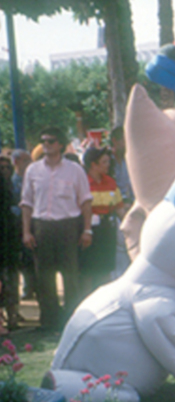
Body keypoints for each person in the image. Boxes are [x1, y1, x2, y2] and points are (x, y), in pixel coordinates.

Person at [20, 126, 93, 331]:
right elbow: (26, 203)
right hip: (41, 227)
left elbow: (86, 201)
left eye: (50, 141)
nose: (46, 144)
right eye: (43, 141)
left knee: (70, 276)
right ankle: (49, 321)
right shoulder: (33, 170)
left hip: (68, 227)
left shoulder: (75, 170)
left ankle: (71, 321)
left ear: (60, 144)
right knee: (44, 277)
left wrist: (87, 230)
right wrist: (27, 231)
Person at [79, 147, 124, 295]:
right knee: (88, 271)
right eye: (104, 162)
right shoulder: (83, 183)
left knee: (105, 269)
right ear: (93, 164)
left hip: (107, 230)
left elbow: (119, 208)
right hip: (88, 230)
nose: (108, 165)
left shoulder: (111, 182)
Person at [10, 150, 35, 299]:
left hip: (31, 223)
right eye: (26, 161)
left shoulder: (32, 180)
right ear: (16, 162)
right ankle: (26, 288)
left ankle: (32, 287)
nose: (29, 164)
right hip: (15, 225)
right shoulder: (11, 182)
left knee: (30, 256)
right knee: (21, 258)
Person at [0, 156, 21, 332]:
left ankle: (13, 315)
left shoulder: (11, 187)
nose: (5, 171)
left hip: (9, 240)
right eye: (2, 168)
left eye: (8, 168)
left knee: (11, 279)